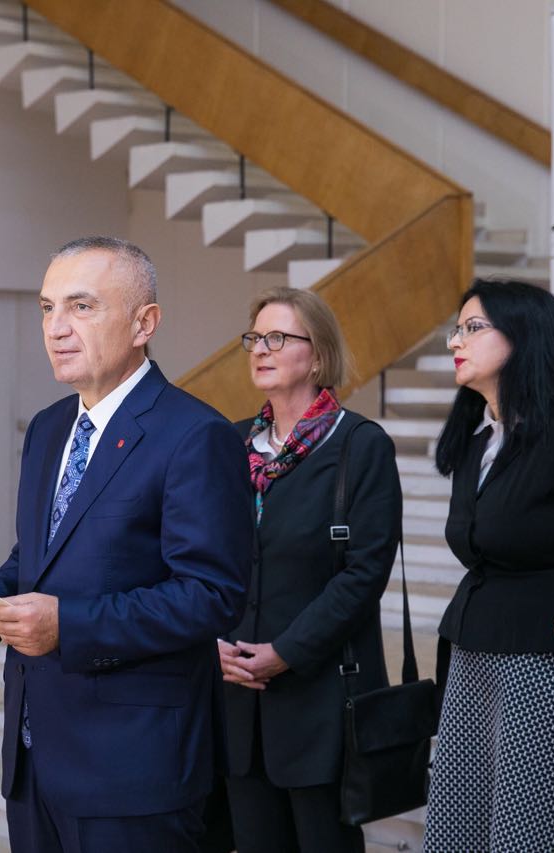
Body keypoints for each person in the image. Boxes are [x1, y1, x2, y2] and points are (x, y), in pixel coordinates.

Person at [0, 236, 251, 853]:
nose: (56, 328)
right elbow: (36, 562)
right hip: (34, 756)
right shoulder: (50, 428)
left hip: (132, 768)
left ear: (143, 323)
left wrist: (69, 625)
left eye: (81, 307)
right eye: (47, 308)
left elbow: (211, 596)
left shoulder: (195, 435)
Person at [422, 280, 554, 853]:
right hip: (474, 653)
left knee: (529, 828)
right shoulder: (477, 436)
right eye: (456, 329)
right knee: (465, 816)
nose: (456, 342)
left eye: (473, 328)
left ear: (525, 338)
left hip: (549, 663)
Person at [217, 287, 401, 853]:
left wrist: (286, 652)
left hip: (320, 699)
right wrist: (213, 642)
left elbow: (363, 575)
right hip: (237, 699)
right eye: (255, 338)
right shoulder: (231, 442)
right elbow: (205, 559)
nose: (260, 349)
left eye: (278, 338)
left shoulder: (359, 446)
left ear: (317, 354)